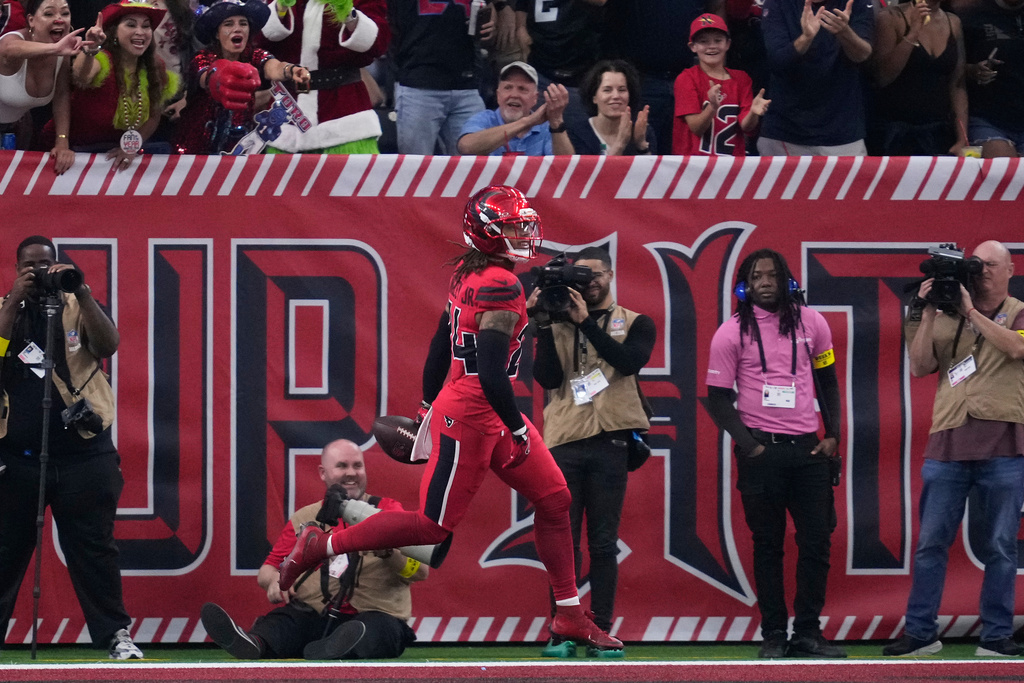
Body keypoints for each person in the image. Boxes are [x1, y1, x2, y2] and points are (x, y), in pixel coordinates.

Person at [276, 185, 622, 654]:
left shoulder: (473, 273)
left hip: (480, 407)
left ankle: (568, 614)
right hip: (475, 416)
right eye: (513, 227)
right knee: (431, 528)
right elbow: (494, 372)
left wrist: (424, 403)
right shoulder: (501, 283)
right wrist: (517, 427)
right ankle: (323, 545)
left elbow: (443, 341)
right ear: (488, 233)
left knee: (556, 500)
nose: (523, 233)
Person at [0, 236, 143, 660]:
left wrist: (79, 289)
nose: (42, 273)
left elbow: (109, 344)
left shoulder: (78, 305)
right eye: (31, 266)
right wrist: (14, 301)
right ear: (17, 268)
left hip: (84, 454)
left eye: (47, 264)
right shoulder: (5, 308)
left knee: (94, 548)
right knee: (5, 549)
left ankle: (115, 634)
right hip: (18, 457)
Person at [884, 241, 1024, 657]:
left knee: (1000, 545)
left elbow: (1017, 348)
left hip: (1004, 444)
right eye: (975, 265)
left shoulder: (1018, 312)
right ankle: (921, 632)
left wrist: (970, 313)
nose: (981, 272)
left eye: (989, 265)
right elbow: (919, 365)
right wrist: (928, 312)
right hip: (947, 441)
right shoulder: (943, 312)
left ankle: (996, 635)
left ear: (1011, 269)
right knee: (930, 544)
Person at [705, 248, 843, 659]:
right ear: (745, 286)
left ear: (786, 281)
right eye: (757, 276)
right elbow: (716, 399)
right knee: (768, 545)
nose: (766, 282)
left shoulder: (813, 323)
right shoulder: (730, 332)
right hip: (761, 454)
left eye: (772, 275)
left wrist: (834, 435)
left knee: (816, 542)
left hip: (808, 450)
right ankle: (774, 635)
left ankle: (807, 633)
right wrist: (751, 446)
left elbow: (828, 382)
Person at [529, 247, 656, 657]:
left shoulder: (636, 322)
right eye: (581, 276)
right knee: (563, 540)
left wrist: (585, 322)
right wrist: (544, 324)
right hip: (564, 438)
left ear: (611, 274)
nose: (590, 282)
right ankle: (562, 630)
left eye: (596, 275)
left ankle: (600, 627)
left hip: (611, 439)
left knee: (603, 541)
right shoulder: (556, 320)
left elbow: (628, 361)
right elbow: (546, 376)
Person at [201, 439, 426, 660]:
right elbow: (267, 570)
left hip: (375, 616)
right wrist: (275, 580)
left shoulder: (388, 512)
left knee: (376, 629)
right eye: (342, 466)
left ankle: (337, 646)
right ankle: (255, 643)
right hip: (315, 617)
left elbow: (419, 572)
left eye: (357, 465)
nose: (351, 472)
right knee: (285, 621)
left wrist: (389, 553)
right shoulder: (305, 518)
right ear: (322, 473)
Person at [174, 0, 310, 155]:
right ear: (217, 34)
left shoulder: (255, 55)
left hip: (240, 149)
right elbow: (207, 77)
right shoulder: (201, 58)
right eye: (228, 24)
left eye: (243, 23)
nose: (237, 29)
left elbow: (273, 67)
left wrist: (290, 70)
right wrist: (220, 78)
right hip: (195, 152)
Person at [258, 0, 390, 154]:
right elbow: (259, 44)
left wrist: (349, 15)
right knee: (283, 177)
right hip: (288, 115)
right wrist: (279, 10)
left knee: (352, 176)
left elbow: (377, 44)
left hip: (344, 113)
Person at [62, 1, 179, 168]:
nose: (140, 32)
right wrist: (91, 48)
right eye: (131, 25)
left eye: (146, 26)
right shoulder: (101, 59)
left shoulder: (155, 67)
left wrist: (131, 148)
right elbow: (82, 76)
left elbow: (154, 117)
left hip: (114, 158)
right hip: (73, 155)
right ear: (114, 32)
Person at [758, 0, 874, 156]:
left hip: (842, 131)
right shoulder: (776, 3)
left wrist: (844, 32)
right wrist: (806, 37)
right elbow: (778, 61)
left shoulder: (856, 2)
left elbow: (863, 55)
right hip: (785, 130)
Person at [0, 0, 101, 174]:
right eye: (49, 14)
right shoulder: (14, 41)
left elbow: (61, 95)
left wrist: (62, 142)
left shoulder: (62, 51)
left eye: (65, 13)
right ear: (31, 20)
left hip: (15, 131)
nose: (59, 19)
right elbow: (7, 49)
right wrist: (54, 48)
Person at [868, 0, 968, 156]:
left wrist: (963, 138)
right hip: (894, 134)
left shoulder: (953, 22)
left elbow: (957, 85)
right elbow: (883, 77)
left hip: (938, 133)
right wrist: (913, 33)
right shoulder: (890, 17)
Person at [388, 0, 485, 155]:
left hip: (466, 84)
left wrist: (489, 23)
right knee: (416, 169)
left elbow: (483, 13)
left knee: (475, 169)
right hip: (418, 83)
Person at [674, 13, 770, 156]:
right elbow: (696, 128)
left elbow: (746, 126)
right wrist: (712, 107)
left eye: (718, 40)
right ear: (693, 46)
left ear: (728, 44)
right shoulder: (686, 78)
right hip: (693, 166)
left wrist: (753, 113)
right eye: (704, 41)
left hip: (730, 166)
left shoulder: (741, 78)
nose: (711, 46)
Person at [457, 61, 573, 155]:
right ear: (498, 95)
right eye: (508, 87)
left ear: (535, 98)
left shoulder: (546, 127)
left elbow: (567, 167)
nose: (514, 94)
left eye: (522, 89)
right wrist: (528, 122)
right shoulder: (484, 119)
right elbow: (466, 147)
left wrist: (557, 121)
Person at [961, 0, 1024, 158]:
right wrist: (974, 70)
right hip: (987, 116)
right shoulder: (973, 17)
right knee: (1004, 168)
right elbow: (951, 67)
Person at [567, 59, 656, 156]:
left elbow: (652, 170)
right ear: (594, 97)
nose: (616, 96)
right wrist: (620, 144)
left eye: (622, 90)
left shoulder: (643, 131)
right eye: (607, 90)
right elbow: (588, 171)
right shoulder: (577, 132)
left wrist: (641, 145)